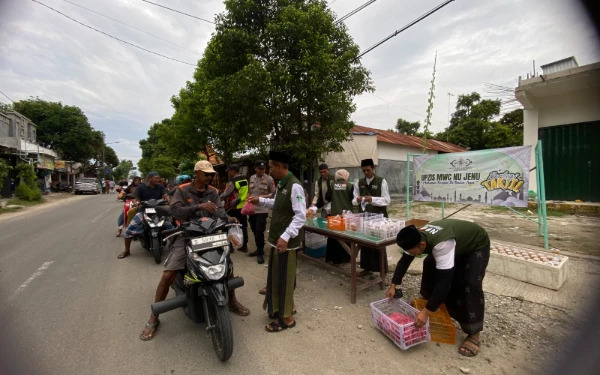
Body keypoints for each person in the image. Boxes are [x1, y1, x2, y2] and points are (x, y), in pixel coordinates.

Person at [139, 160, 250, 341]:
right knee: (168, 274)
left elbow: (220, 211)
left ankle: (231, 301)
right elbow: (175, 212)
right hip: (186, 235)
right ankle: (154, 317)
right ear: (197, 173)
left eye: (211, 174)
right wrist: (197, 207)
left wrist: (229, 217)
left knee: (227, 266)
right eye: (206, 174)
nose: (210, 177)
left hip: (210, 235)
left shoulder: (213, 192)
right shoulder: (182, 190)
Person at [388, 219, 490, 357]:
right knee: (430, 263)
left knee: (470, 283)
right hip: (456, 241)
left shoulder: (442, 244)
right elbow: (404, 261)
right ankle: (430, 302)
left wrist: (426, 312)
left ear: (422, 244)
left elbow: (444, 281)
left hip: (475, 244)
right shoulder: (414, 237)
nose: (411, 254)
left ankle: (474, 333)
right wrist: (393, 285)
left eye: (413, 252)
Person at [248, 150, 306, 333]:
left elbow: (300, 216)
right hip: (277, 239)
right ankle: (284, 307)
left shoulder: (295, 186)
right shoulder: (282, 184)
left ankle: (287, 318)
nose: (269, 169)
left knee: (285, 277)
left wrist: (285, 236)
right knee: (277, 275)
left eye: (271, 166)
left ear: (280, 166)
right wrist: (261, 201)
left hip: (285, 242)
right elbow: (279, 204)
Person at [352, 158, 391, 276]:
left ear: (373, 168)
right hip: (365, 217)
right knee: (365, 243)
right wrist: (357, 200)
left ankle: (382, 270)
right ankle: (367, 268)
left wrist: (372, 199)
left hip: (379, 217)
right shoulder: (359, 182)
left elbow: (386, 200)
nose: (366, 173)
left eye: (368, 170)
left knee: (379, 244)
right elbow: (353, 200)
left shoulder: (381, 181)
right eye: (363, 171)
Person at [118, 172, 169, 259]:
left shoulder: (160, 186)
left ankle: (175, 248)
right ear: (149, 179)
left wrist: (169, 200)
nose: (158, 180)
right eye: (156, 178)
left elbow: (166, 195)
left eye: (158, 178)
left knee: (171, 227)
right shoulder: (140, 187)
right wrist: (135, 203)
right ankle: (127, 250)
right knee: (129, 230)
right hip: (143, 210)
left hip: (159, 210)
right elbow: (134, 197)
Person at [247, 160, 275, 264]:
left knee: (260, 230)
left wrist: (259, 198)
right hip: (252, 209)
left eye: (263, 169)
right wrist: (248, 197)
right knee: (254, 229)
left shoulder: (269, 179)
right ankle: (259, 248)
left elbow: (272, 194)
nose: (262, 170)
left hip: (263, 208)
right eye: (260, 168)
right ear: (255, 169)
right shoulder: (252, 178)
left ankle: (260, 253)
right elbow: (250, 191)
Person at [325, 169, 354, 265]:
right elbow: (353, 200)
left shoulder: (332, 185)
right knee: (346, 236)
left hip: (335, 215)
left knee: (334, 237)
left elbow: (327, 197)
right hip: (347, 216)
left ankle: (333, 259)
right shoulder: (349, 185)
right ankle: (346, 258)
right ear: (345, 176)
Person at [219, 164, 249, 253]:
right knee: (243, 226)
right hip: (243, 206)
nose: (228, 173)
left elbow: (226, 194)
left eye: (228, 171)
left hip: (232, 207)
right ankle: (244, 246)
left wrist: (218, 198)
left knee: (228, 226)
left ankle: (230, 247)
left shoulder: (232, 182)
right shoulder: (245, 180)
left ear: (232, 171)